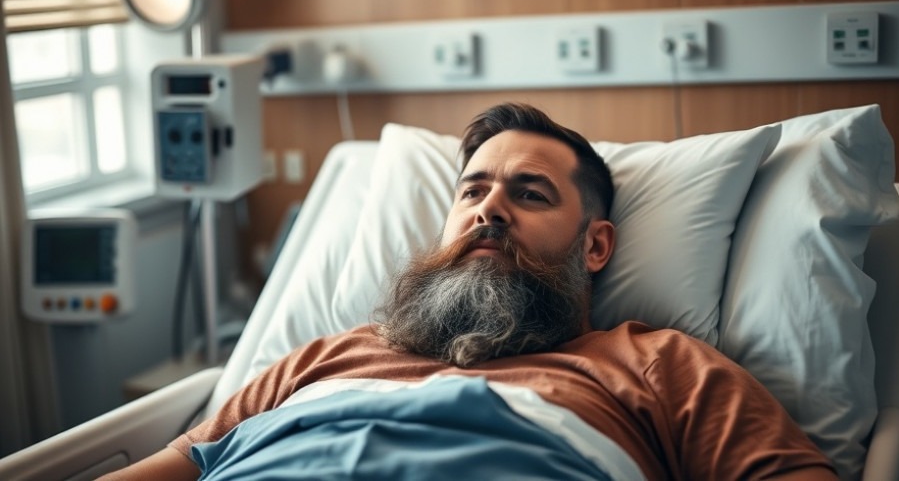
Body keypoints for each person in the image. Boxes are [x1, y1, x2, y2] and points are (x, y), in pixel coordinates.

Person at [102, 103, 837, 480]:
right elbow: (174, 468)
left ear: (595, 246)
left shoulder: (655, 366)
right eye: (473, 191)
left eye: (529, 193)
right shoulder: (326, 356)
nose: (489, 208)